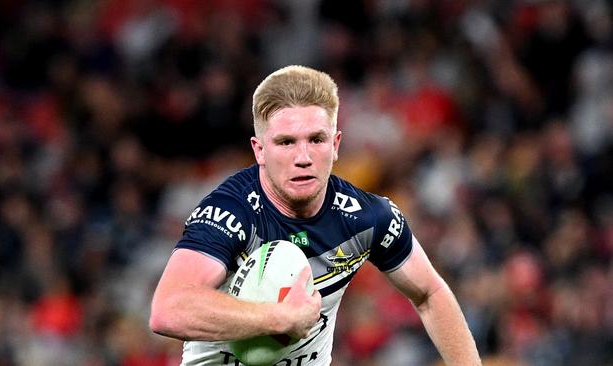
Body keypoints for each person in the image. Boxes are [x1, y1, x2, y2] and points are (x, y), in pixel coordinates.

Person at [149, 65, 482, 366]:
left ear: (336, 144)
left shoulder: (367, 216)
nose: (303, 157)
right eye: (286, 142)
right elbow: (168, 310)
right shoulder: (230, 212)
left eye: (316, 139)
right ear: (259, 150)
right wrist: (279, 318)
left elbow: (430, 294)